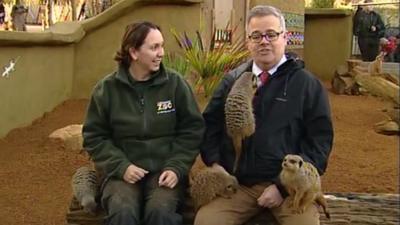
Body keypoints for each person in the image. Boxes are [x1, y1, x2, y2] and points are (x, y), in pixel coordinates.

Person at [194, 5, 333, 225]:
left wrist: (280, 187)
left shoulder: (307, 85)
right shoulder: (233, 80)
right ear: (248, 41)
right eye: (256, 36)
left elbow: (320, 142)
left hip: (289, 188)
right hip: (238, 185)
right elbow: (210, 125)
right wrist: (215, 163)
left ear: (285, 37)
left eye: (271, 34)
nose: (264, 41)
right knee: (206, 221)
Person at [82, 21, 205, 225]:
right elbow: (94, 137)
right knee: (122, 210)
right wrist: (121, 167)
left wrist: (176, 167)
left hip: (164, 172)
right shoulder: (107, 90)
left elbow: (192, 130)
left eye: (162, 46)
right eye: (154, 47)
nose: (161, 53)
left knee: (160, 213)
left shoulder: (175, 85)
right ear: (134, 52)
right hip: (121, 174)